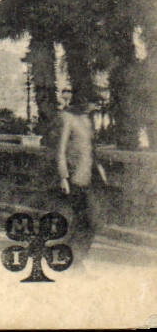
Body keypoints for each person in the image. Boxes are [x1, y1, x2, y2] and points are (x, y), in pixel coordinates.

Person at [57, 70, 112, 253]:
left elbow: (91, 149)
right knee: (85, 219)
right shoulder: (67, 118)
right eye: (93, 103)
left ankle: (71, 256)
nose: (95, 107)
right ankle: (72, 257)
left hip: (89, 176)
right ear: (83, 100)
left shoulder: (87, 120)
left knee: (89, 220)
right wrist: (63, 177)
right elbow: (60, 149)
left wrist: (101, 171)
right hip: (73, 177)